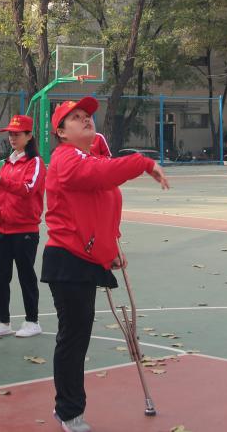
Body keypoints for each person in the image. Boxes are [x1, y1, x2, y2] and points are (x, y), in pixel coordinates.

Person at [42, 96, 170, 432]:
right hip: (67, 259)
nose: (86, 119)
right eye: (76, 117)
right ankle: (68, 411)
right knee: (74, 337)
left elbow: (103, 205)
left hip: (85, 257)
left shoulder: (90, 157)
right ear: (61, 132)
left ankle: (68, 407)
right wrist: (143, 163)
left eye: (88, 115)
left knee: (78, 334)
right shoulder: (65, 159)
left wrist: (110, 247)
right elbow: (101, 175)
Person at [0, 113, 45, 339]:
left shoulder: (35, 163)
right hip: (1, 229)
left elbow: (28, 188)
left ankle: (32, 321)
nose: (12, 138)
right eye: (10, 134)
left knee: (26, 276)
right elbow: (3, 193)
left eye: (17, 134)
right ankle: (2, 321)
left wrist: (3, 181)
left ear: (29, 136)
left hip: (25, 230)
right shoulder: (6, 163)